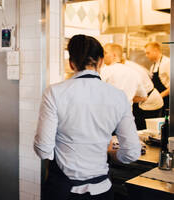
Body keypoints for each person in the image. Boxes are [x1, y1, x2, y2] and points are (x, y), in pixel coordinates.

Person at [34, 34, 141, 200]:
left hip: (62, 190)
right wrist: (112, 152)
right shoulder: (118, 96)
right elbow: (132, 152)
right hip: (102, 192)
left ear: (71, 63)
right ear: (100, 61)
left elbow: (43, 149)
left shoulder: (54, 92)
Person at [145, 42, 170, 114]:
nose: (146, 55)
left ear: (156, 51)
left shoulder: (167, 63)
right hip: (160, 100)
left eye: (148, 53)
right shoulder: (153, 66)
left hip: (168, 99)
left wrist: (160, 96)